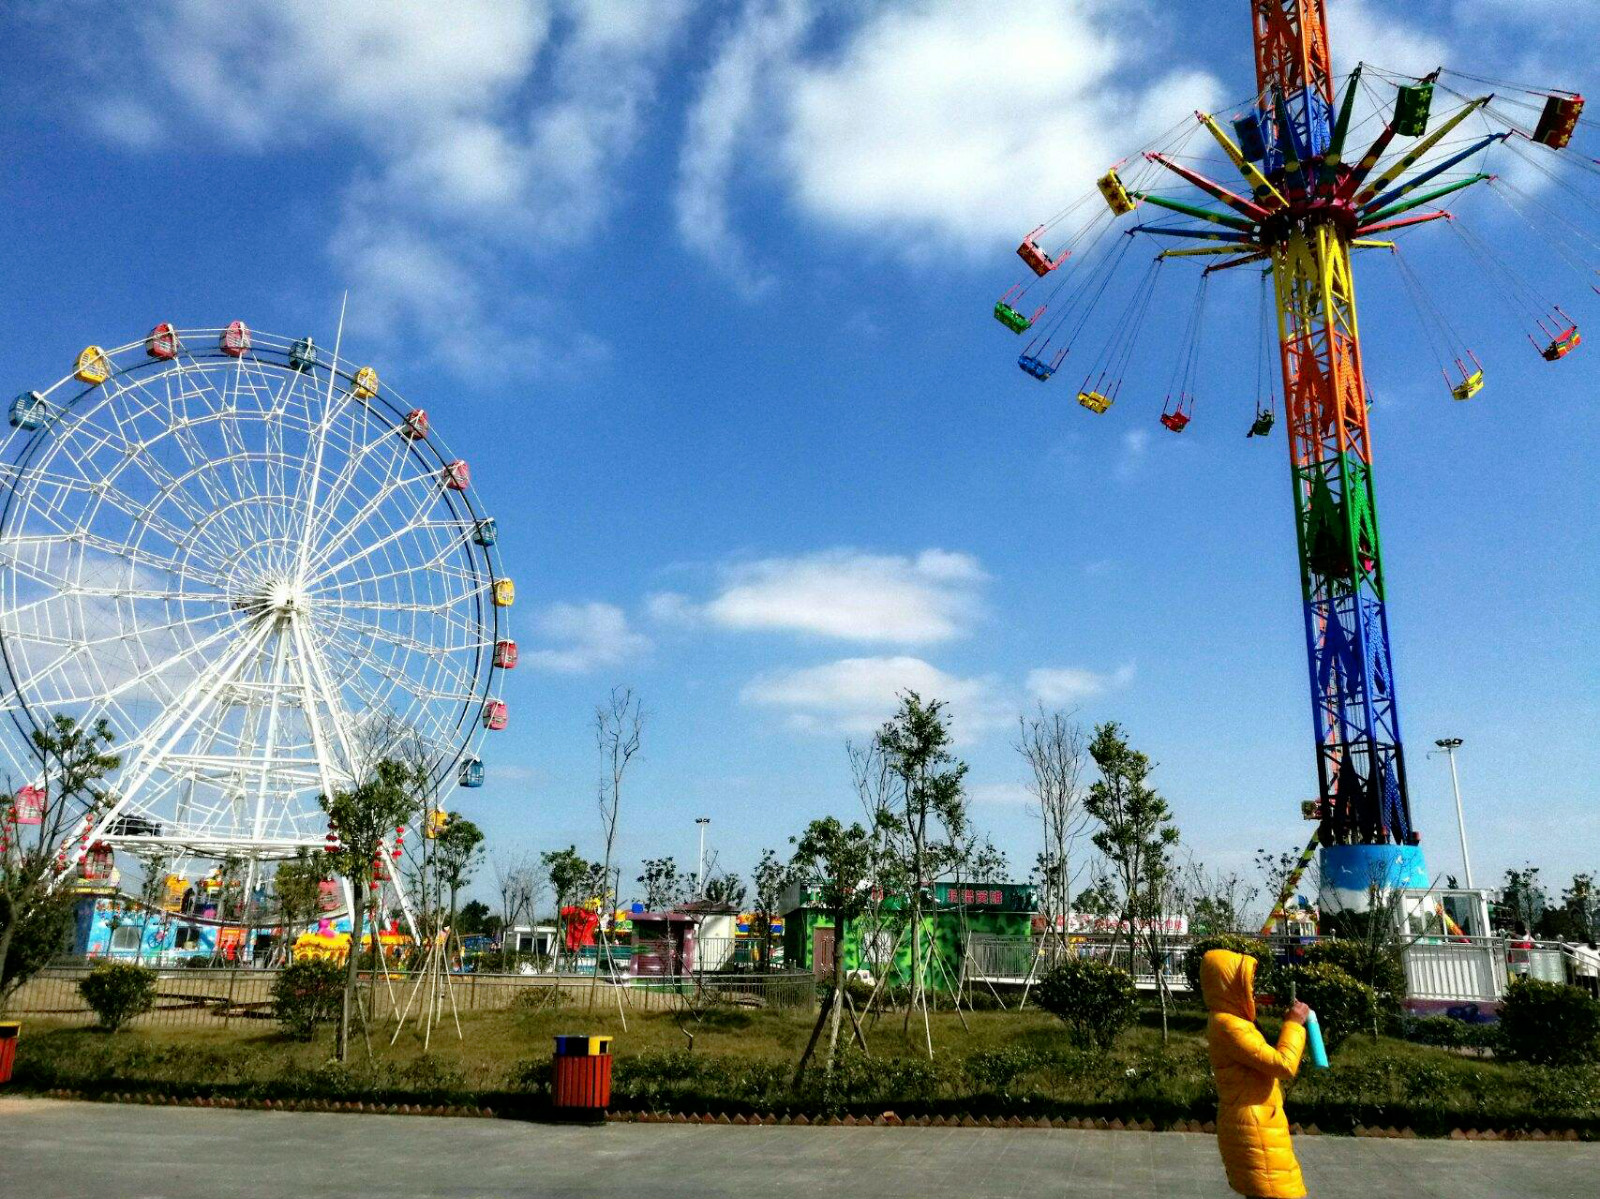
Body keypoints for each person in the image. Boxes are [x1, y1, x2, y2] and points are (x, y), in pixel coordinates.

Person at [1201, 949, 1310, 1199]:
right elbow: (1283, 1065)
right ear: (1229, 986)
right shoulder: (1230, 1026)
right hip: (1255, 1129)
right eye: (1246, 984)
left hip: (1258, 1124)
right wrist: (1293, 1024)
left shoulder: (1229, 1021)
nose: (1251, 991)